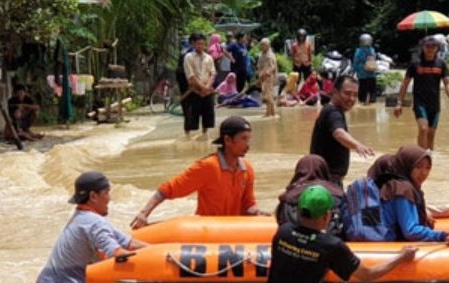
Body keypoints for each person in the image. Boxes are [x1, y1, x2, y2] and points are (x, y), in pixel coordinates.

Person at [261, 185, 417, 283]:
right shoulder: (331, 245)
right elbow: (368, 275)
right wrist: (401, 256)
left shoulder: (283, 232)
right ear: (326, 216)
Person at [130, 116, 266, 228]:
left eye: (249, 139)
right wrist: (144, 213)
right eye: (243, 139)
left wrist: (259, 213)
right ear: (227, 140)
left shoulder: (247, 169)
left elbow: (248, 205)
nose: (248, 145)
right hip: (207, 230)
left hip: (233, 230)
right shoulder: (208, 167)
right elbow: (168, 189)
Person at [34, 171, 148, 283]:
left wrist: (161, 249)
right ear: (93, 196)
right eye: (106, 193)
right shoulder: (94, 222)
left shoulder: (83, 217)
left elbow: (129, 243)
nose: (109, 198)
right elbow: (119, 256)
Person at [380, 146, 449, 244]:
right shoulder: (403, 189)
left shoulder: (393, 183)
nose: (423, 173)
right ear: (407, 165)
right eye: (418, 166)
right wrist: (443, 236)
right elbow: (410, 231)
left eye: (427, 168)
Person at [394, 37, 449, 151]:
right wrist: (399, 102)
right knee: (423, 129)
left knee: (431, 134)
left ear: (437, 48)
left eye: (433, 46)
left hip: (434, 104)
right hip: (420, 102)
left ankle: (429, 159)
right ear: (422, 47)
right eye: (427, 46)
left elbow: (447, 82)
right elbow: (405, 84)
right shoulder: (415, 63)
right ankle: (420, 156)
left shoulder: (441, 64)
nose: (430, 49)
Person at [309, 75, 374, 186]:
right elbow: (338, 133)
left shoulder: (331, 110)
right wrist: (357, 145)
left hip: (325, 178)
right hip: (327, 181)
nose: (352, 99)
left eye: (355, 95)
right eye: (347, 93)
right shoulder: (333, 112)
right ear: (335, 92)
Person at [274, 154, 345, 236]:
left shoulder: (287, 197)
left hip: (295, 239)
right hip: (331, 238)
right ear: (324, 170)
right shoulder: (338, 193)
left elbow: (281, 221)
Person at [183, 33, 217, 138]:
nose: (200, 46)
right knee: (190, 118)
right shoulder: (188, 57)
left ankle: (204, 136)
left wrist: (207, 87)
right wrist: (203, 88)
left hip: (207, 91)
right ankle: (187, 138)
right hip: (194, 90)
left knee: (207, 117)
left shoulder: (209, 58)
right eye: (198, 44)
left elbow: (213, 73)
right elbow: (191, 76)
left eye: (202, 44)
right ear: (194, 45)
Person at [352, 33, 378, 105]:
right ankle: (372, 102)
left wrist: (353, 71)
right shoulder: (372, 50)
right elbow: (374, 59)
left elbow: (355, 62)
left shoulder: (359, 51)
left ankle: (362, 101)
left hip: (362, 73)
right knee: (372, 88)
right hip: (371, 72)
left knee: (363, 88)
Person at [256, 38, 278, 117]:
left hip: (268, 78)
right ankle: (271, 113)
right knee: (268, 96)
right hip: (263, 77)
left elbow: (272, 68)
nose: (262, 46)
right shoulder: (262, 54)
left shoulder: (269, 55)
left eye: (264, 45)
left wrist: (264, 76)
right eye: (261, 45)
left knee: (269, 96)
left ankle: (270, 113)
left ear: (268, 45)